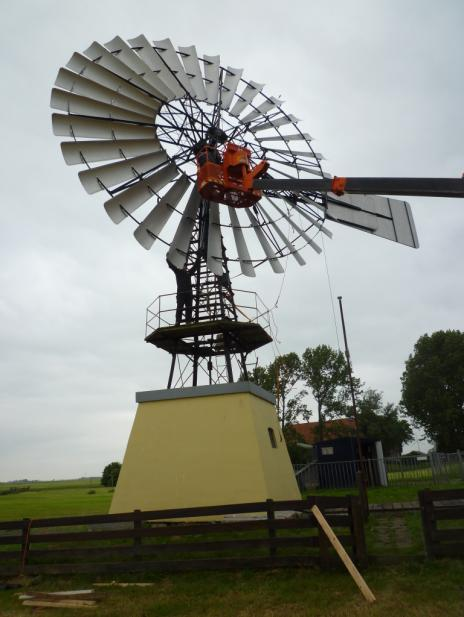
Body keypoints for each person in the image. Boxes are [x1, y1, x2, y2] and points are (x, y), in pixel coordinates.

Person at [166, 256, 198, 325]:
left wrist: (198, 258)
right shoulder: (178, 272)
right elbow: (171, 265)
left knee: (189, 308)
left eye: (185, 266)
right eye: (184, 265)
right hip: (181, 294)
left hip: (188, 294)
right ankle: (178, 322)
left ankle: (188, 321)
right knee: (180, 308)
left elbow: (195, 267)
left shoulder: (188, 273)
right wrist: (168, 258)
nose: (185, 267)